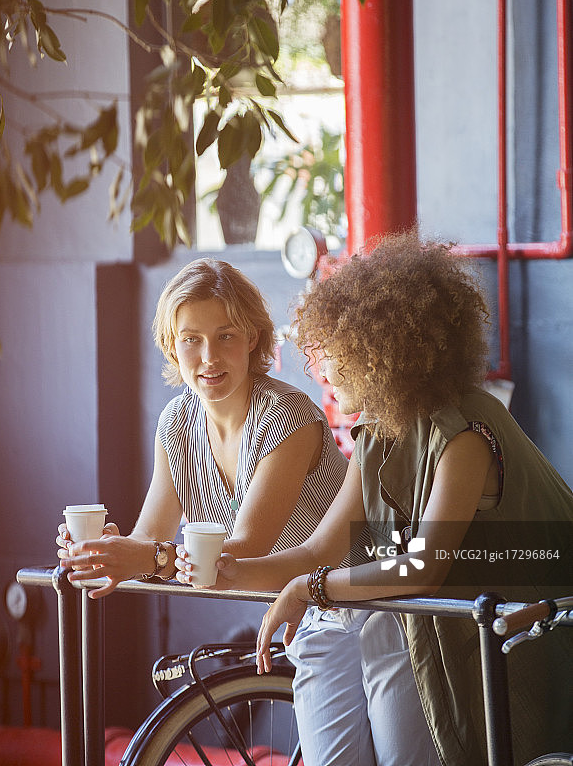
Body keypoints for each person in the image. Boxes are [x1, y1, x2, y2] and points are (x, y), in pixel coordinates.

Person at [209, 233, 573, 766]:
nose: (320, 371)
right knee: (356, 635)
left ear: (379, 349)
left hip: (542, 626)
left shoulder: (465, 429)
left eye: (330, 352)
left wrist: (310, 590)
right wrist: (221, 572)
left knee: (380, 631)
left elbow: (421, 568)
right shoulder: (381, 432)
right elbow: (319, 552)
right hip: (484, 624)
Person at [56, 258, 375, 764]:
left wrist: (143, 557)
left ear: (252, 338)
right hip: (306, 614)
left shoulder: (286, 417)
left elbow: (249, 547)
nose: (208, 356)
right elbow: (150, 535)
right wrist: (104, 551)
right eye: (191, 339)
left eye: (226, 335)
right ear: (171, 345)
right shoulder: (177, 423)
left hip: (364, 606)